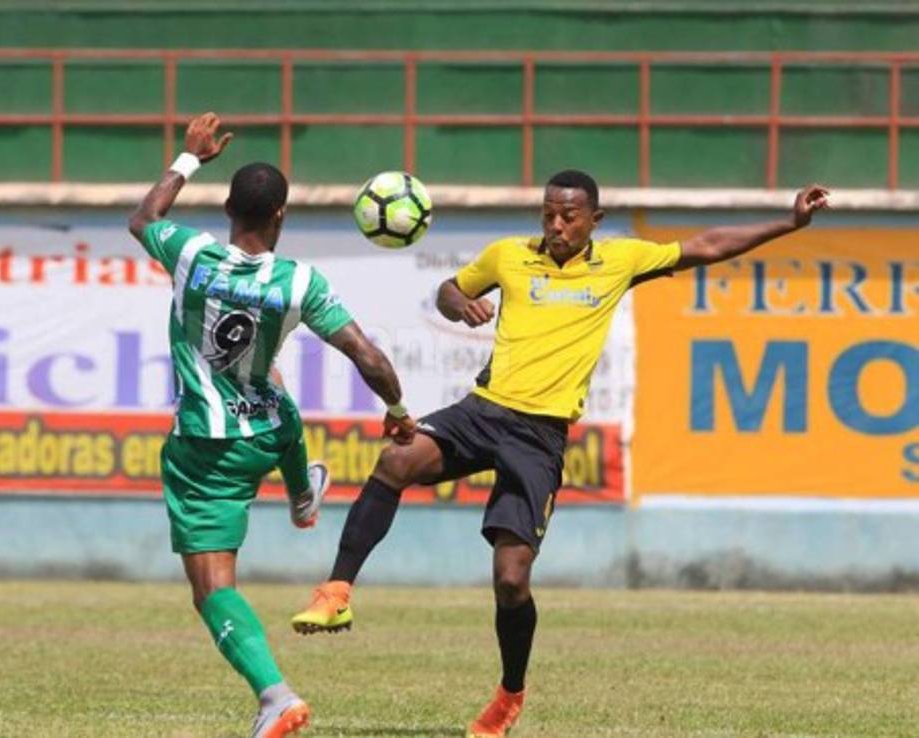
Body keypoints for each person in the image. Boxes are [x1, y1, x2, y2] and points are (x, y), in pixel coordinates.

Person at [292, 169, 830, 737]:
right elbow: (450, 290)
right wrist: (460, 305)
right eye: (548, 214)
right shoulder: (510, 255)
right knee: (397, 460)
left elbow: (706, 245)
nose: (555, 225)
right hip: (483, 409)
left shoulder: (620, 262)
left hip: (538, 435)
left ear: (593, 220)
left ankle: (508, 694)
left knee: (510, 581)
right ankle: (337, 590)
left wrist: (789, 224)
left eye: (568, 216)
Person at [127, 112, 415, 738]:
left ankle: (275, 696)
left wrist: (188, 160)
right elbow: (367, 354)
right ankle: (302, 492)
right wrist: (396, 411)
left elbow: (142, 219)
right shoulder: (300, 282)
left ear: (229, 208)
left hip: (206, 447)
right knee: (275, 390)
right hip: (265, 435)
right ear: (280, 216)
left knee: (212, 591)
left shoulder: (191, 254)